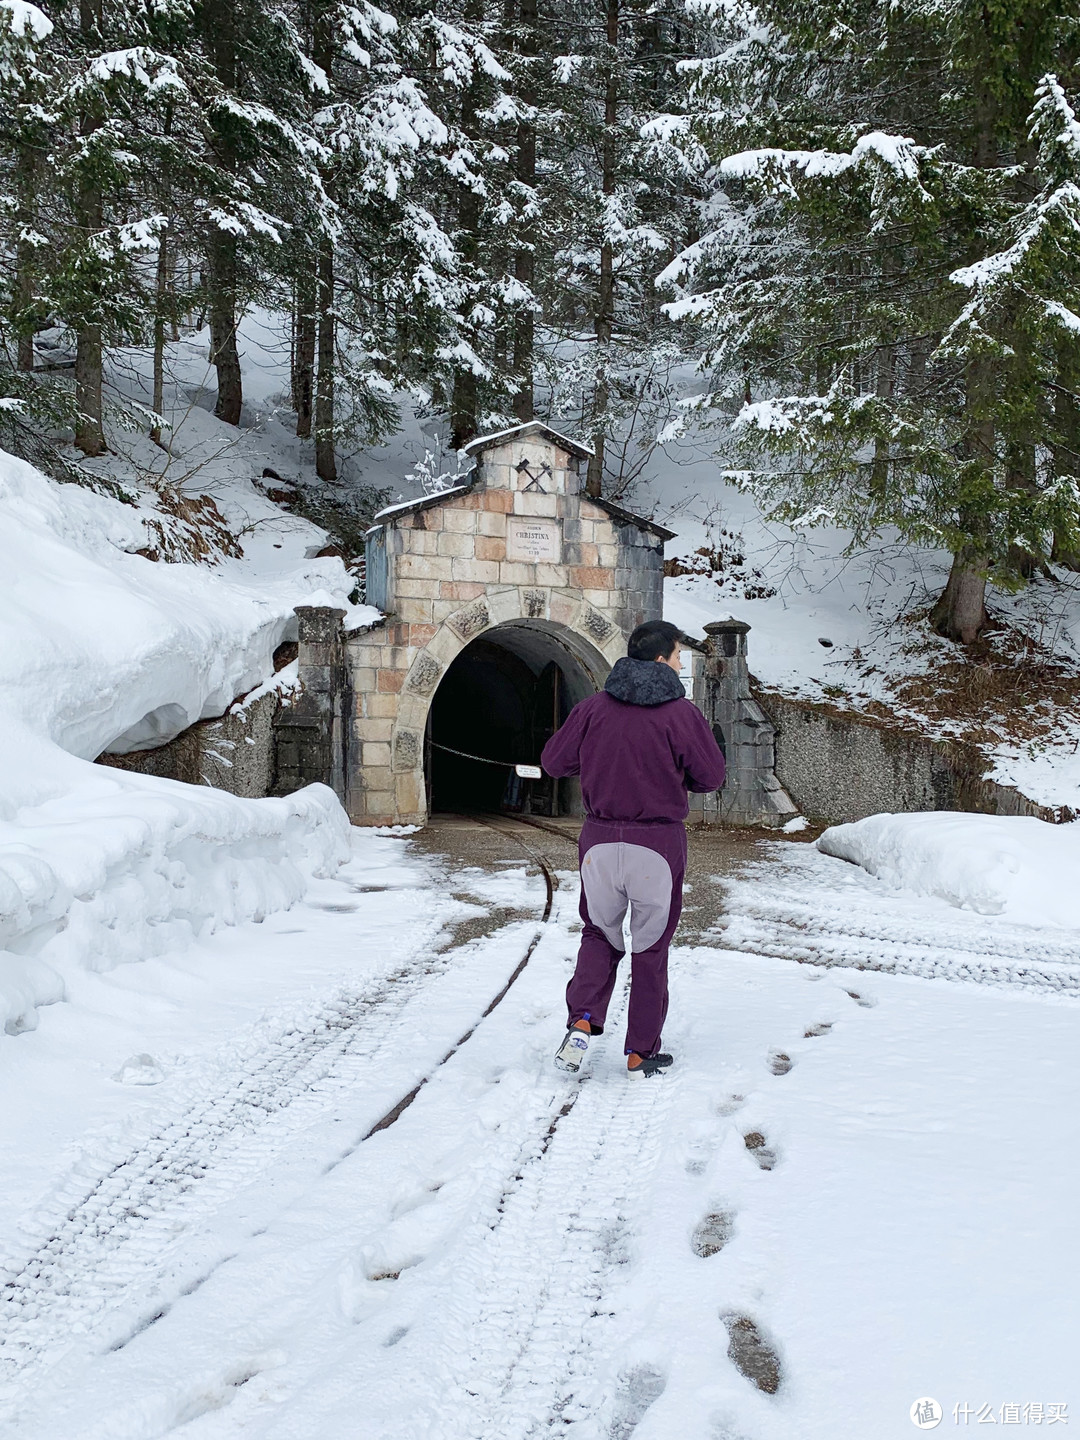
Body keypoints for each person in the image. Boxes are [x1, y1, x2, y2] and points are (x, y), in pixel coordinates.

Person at [541, 620, 725, 1077]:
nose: (682, 664)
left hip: (600, 842)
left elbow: (554, 762)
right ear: (662, 659)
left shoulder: (592, 709)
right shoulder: (682, 715)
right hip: (657, 846)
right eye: (680, 655)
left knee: (598, 934)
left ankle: (583, 1017)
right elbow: (711, 778)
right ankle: (641, 1050)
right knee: (650, 948)